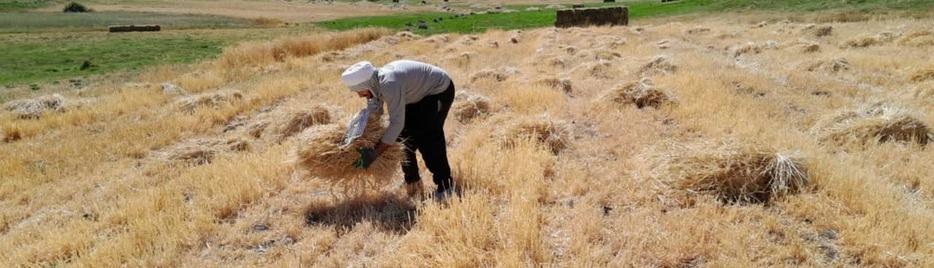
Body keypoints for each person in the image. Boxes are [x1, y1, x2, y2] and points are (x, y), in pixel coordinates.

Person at [341, 60, 456, 201]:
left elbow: (396, 124)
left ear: (366, 84)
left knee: (427, 138)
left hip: (437, 90)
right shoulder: (375, 85)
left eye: (360, 91)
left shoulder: (389, 83)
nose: (359, 95)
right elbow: (374, 113)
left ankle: (446, 186)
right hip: (414, 96)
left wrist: (375, 153)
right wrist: (359, 136)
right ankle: (412, 181)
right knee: (403, 139)